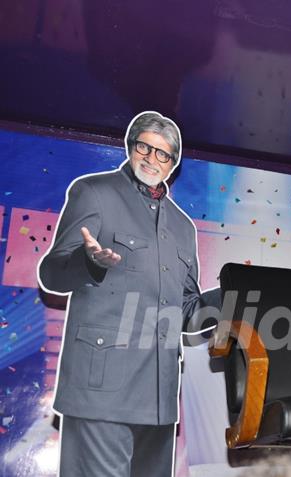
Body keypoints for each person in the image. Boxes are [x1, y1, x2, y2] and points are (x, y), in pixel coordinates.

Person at [38, 111, 218, 477]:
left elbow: (187, 312)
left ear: (172, 165)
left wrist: (230, 298)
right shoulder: (94, 192)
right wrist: (89, 262)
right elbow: (51, 273)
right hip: (100, 392)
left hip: (159, 400)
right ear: (130, 146)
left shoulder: (184, 227)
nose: (152, 159)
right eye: (144, 147)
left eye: (163, 154)